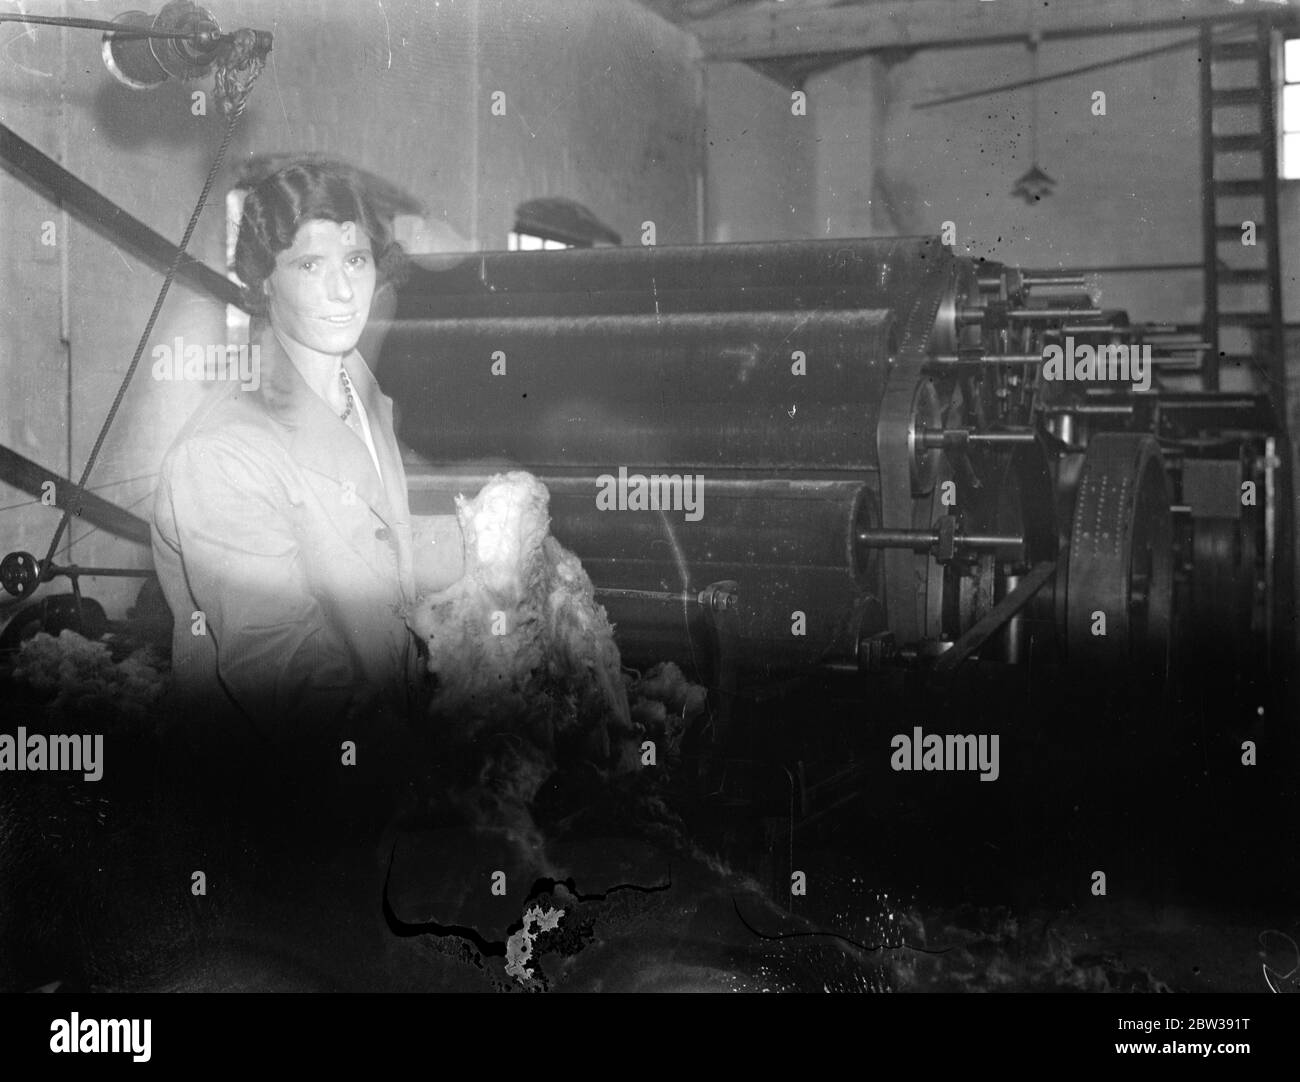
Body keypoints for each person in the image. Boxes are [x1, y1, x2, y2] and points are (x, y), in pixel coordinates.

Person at [151, 162, 464, 765]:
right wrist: (433, 776)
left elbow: (369, 541)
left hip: (374, 768)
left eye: (355, 260)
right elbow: (286, 675)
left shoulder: (358, 388)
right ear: (265, 280)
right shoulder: (222, 454)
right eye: (309, 265)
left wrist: (486, 542)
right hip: (282, 798)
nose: (344, 291)